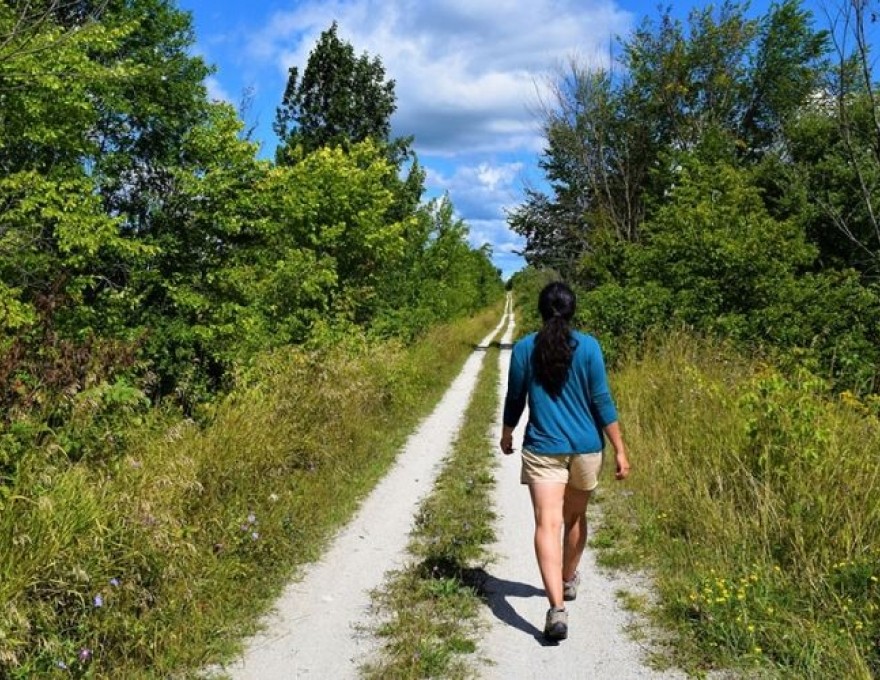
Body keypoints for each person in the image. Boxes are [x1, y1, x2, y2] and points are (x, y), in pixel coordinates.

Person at [499, 281, 630, 641]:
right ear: (572, 311)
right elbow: (601, 399)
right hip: (587, 448)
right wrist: (619, 448)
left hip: (543, 448)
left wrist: (507, 432)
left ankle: (557, 608)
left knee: (547, 524)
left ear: (541, 310)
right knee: (574, 517)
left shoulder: (525, 348)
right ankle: (568, 580)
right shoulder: (588, 347)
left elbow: (515, 397)